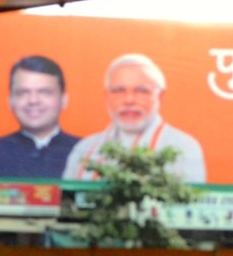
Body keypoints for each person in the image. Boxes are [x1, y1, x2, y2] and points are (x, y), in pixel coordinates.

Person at [62, 54, 206, 184]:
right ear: (107, 97)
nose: (129, 100)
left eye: (141, 91)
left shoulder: (183, 147)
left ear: (160, 97)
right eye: (119, 91)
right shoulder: (86, 148)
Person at [0, 55, 80, 179]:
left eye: (44, 92)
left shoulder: (89, 153)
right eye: (22, 93)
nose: (33, 101)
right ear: (10, 101)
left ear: (64, 100)